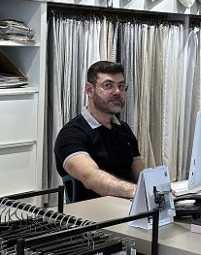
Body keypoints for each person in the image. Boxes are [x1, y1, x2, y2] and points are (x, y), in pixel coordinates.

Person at [53, 61, 144, 202]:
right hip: (91, 213)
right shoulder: (71, 134)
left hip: (131, 208)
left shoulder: (124, 129)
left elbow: (141, 175)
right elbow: (91, 178)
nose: (117, 92)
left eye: (121, 86)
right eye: (108, 85)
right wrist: (138, 191)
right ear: (89, 90)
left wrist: (159, 189)